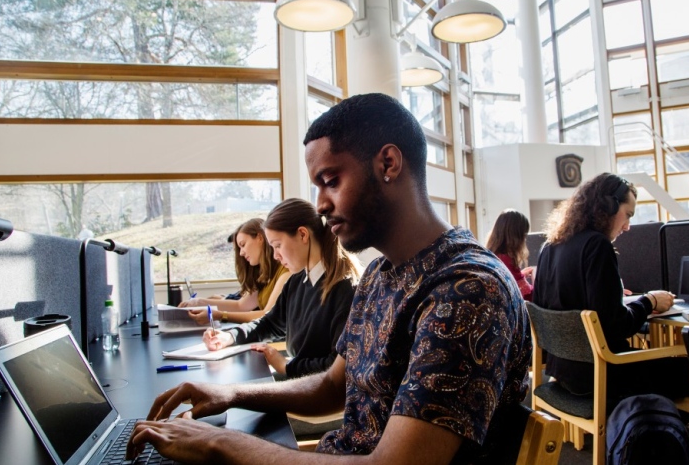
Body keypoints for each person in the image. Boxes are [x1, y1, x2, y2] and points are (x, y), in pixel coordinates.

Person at [127, 93, 531, 464]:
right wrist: (232, 394)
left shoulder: (468, 289)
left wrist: (218, 442)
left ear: (388, 164)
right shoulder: (378, 276)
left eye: (331, 181)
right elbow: (332, 384)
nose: (320, 204)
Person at [532, 172, 689, 404]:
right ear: (607, 207)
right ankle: (657, 432)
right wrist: (650, 301)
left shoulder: (550, 246)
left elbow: (547, 307)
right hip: (605, 370)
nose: (627, 227)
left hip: (563, 372)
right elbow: (616, 325)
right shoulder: (597, 245)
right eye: (627, 215)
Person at [203, 198, 359, 379]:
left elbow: (336, 365)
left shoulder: (346, 289)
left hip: (319, 390)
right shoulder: (297, 281)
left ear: (302, 235)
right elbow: (269, 323)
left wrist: (286, 366)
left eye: (278, 246)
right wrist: (229, 336)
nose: (276, 256)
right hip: (300, 378)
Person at [178, 218, 291, 326]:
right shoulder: (264, 274)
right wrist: (198, 302)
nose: (241, 253)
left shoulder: (285, 272)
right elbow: (240, 305)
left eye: (243, 245)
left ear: (260, 238)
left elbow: (267, 315)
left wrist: (221, 315)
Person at [486, 209, 534, 301]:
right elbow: (528, 295)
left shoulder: (492, 255)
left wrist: (521, 275)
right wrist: (535, 278)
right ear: (517, 237)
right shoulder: (507, 260)